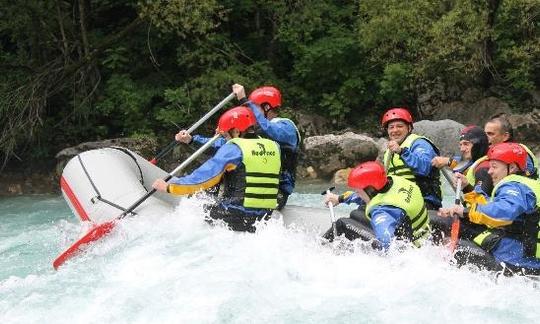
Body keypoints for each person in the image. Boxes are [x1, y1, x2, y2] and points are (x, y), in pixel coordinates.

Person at [153, 106, 281, 233]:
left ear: (236, 131)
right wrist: (192, 140)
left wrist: (169, 187)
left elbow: (202, 178)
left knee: (194, 206)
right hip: (265, 217)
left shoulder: (235, 148)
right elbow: (219, 145)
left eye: (225, 135)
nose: (225, 139)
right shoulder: (274, 146)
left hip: (237, 215)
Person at [176, 84, 300, 210]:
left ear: (267, 107)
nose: (250, 112)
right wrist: (191, 140)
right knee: (227, 162)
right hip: (247, 190)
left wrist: (244, 101)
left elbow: (269, 129)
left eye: (254, 108)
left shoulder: (287, 128)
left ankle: (224, 210)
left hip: (275, 194)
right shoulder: (254, 134)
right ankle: (206, 203)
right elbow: (222, 148)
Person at [438, 142, 540, 274]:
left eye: (494, 167)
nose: (489, 171)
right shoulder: (525, 185)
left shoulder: (515, 186)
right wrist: (467, 188)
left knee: (450, 246)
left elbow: (503, 213)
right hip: (520, 257)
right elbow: (492, 206)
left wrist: (464, 211)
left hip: (516, 262)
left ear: (513, 167)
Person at [323, 161, 431, 251]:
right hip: (420, 234)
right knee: (356, 214)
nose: (356, 192)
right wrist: (340, 198)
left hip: (408, 249)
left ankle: (320, 250)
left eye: (358, 191)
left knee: (342, 224)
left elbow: (386, 243)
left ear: (370, 190)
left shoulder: (382, 212)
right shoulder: (397, 181)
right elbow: (372, 196)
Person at [382, 107, 442, 209]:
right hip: (398, 201)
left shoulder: (420, 144)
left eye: (399, 126)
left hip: (424, 201)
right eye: (391, 127)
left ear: (409, 128)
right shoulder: (388, 152)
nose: (395, 130)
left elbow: (424, 168)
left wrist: (402, 152)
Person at [431, 125, 492, 194]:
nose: (462, 149)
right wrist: (448, 162)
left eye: (466, 144)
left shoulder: (484, 169)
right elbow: (462, 164)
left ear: (478, 144)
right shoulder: (474, 160)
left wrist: (466, 186)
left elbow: (481, 202)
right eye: (461, 145)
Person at [484, 113, 538, 179]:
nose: (484, 137)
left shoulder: (518, 152)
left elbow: (524, 179)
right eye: (485, 134)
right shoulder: (494, 152)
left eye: (490, 134)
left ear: (505, 136)